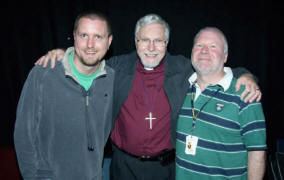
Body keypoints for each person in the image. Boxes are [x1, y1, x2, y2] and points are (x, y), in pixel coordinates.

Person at [35, 14, 262, 180]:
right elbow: (88, 59)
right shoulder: (117, 67)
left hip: (166, 169)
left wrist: (246, 75)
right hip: (123, 166)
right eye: (145, 40)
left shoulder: (183, 69)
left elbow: (216, 69)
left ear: (167, 43)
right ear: (136, 42)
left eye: (159, 41)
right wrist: (65, 53)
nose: (151, 47)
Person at [14, 10, 115, 180]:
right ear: (74, 37)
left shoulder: (112, 79)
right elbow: (24, 133)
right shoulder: (44, 73)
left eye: (98, 37)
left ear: (109, 41)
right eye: (84, 35)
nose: (90, 44)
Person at [175, 27, 266, 180]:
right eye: (199, 45)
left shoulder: (245, 95)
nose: (204, 50)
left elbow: (257, 153)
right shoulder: (182, 88)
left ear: (225, 56)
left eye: (213, 46)